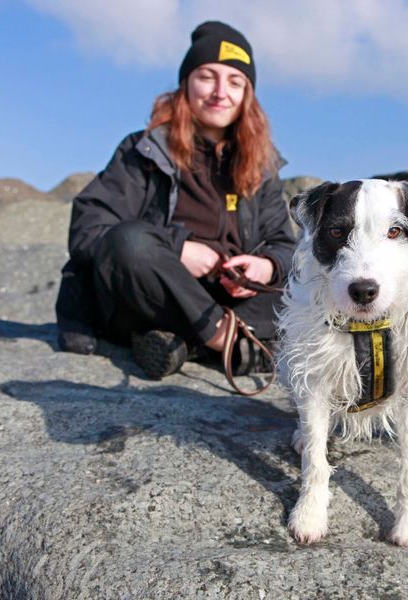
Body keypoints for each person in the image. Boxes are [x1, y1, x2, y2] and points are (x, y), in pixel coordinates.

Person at [55, 20, 295, 382]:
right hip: (151, 297)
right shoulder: (145, 150)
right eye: (206, 76)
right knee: (130, 243)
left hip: (225, 299)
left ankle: (186, 344)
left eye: (234, 82)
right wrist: (179, 250)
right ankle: (230, 343)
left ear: (248, 96)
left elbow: (285, 246)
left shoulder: (260, 167)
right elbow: (89, 232)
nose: (219, 92)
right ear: (186, 84)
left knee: (316, 282)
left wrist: (265, 267)